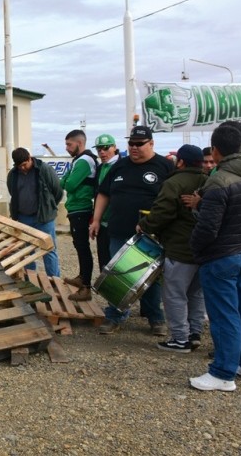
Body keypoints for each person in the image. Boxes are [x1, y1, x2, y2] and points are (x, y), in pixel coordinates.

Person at [188, 125, 241, 391]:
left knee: (225, 315)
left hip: (221, 256)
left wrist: (197, 249)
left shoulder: (218, 181)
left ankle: (223, 373)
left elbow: (208, 227)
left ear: (215, 150)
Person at [89, 126, 173, 336]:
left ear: (151, 143)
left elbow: (173, 199)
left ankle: (155, 318)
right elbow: (103, 194)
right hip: (118, 230)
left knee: (148, 277)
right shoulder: (119, 166)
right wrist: (96, 219)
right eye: (131, 144)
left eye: (139, 144)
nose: (134, 148)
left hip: (150, 236)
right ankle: (115, 316)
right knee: (118, 275)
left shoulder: (164, 167)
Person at [138, 145, 208, 353]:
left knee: (174, 294)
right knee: (196, 293)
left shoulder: (174, 182)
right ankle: (195, 333)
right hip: (203, 249)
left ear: (181, 162)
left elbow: (162, 212)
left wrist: (145, 224)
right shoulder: (208, 181)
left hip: (180, 248)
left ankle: (180, 338)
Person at [6, 147, 63, 277]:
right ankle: (30, 280)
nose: (23, 168)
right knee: (27, 251)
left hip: (44, 218)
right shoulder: (13, 174)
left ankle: (54, 281)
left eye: (25, 164)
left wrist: (47, 206)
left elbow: (57, 191)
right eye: (19, 166)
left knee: (49, 250)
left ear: (30, 158)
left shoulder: (44, 170)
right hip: (24, 218)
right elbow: (12, 193)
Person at [60, 130, 97, 300]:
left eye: (69, 144)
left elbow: (70, 184)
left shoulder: (84, 161)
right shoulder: (77, 160)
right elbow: (63, 182)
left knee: (83, 247)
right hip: (76, 208)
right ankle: (82, 277)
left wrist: (67, 180)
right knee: (78, 245)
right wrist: (66, 180)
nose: (67, 148)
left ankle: (86, 287)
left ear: (79, 143)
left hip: (81, 208)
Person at [92, 134, 120, 271]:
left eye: (105, 148)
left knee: (117, 264)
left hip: (117, 222)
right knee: (104, 262)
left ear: (114, 147)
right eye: (99, 149)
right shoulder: (100, 168)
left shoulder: (122, 166)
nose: (102, 152)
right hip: (102, 222)